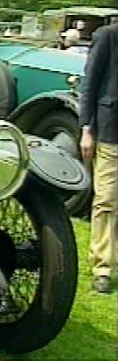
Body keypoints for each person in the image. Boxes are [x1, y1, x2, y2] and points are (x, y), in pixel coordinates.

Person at [79, 22, 118, 294]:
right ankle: (103, 267)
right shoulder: (108, 36)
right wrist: (86, 129)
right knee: (107, 199)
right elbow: (89, 85)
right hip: (110, 131)